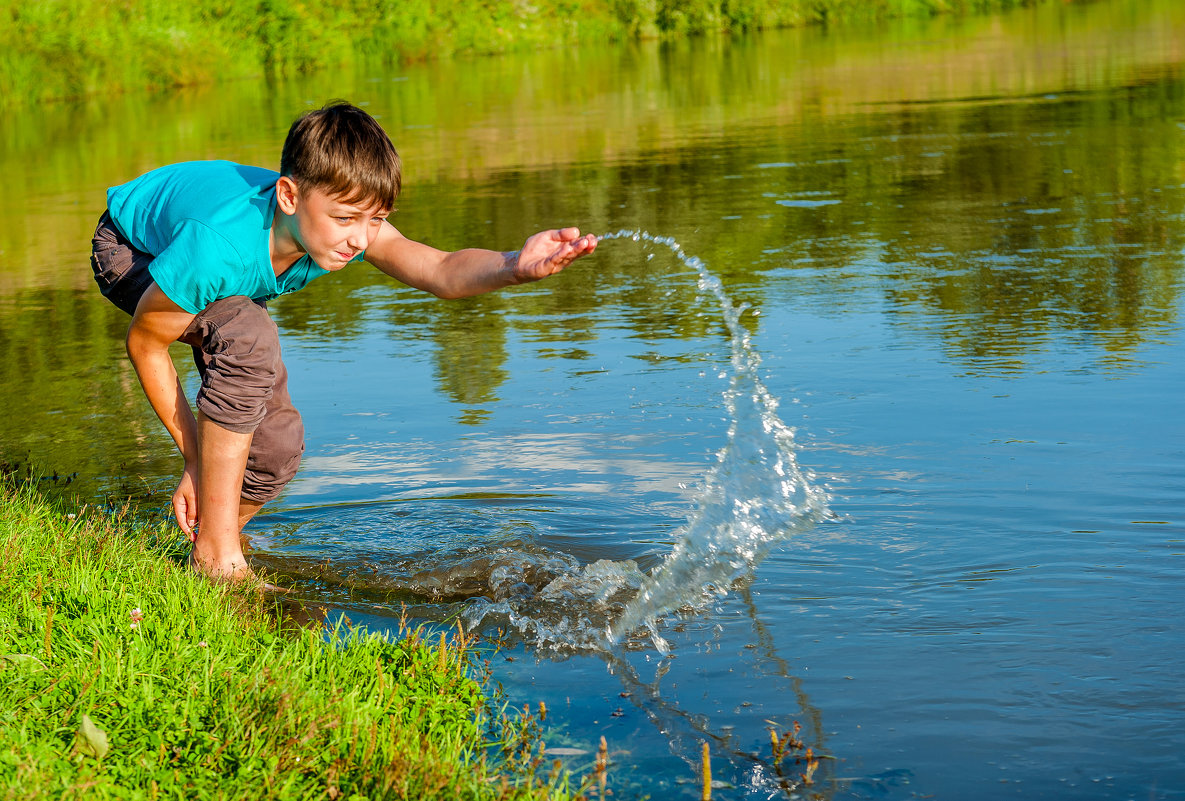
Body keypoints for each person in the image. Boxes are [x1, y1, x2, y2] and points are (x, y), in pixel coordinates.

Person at [90, 100, 597, 584]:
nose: (360, 239)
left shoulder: (330, 216)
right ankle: (217, 561)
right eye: (347, 220)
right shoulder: (219, 248)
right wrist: (194, 456)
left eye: (374, 220)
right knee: (248, 340)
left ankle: (194, 546)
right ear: (289, 196)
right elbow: (146, 344)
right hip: (133, 248)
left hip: (216, 257)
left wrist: (516, 265)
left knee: (274, 450)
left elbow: (439, 270)